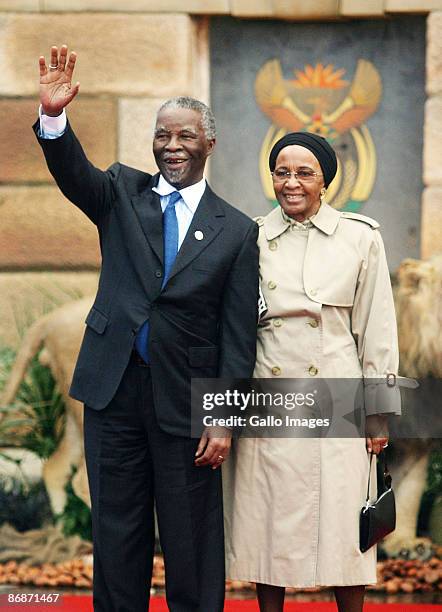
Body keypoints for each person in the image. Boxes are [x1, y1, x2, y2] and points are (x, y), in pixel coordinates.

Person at [34, 45, 259, 612]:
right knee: (116, 535)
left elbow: (237, 335)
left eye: (184, 135)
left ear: (208, 143)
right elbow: (72, 173)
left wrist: (224, 417)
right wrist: (55, 118)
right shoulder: (120, 193)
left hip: (186, 403)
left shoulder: (234, 230)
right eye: (162, 135)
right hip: (112, 393)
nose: (171, 145)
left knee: (191, 542)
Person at [224, 132, 400, 612]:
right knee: (268, 520)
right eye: (282, 172)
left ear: (326, 182)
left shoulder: (360, 237)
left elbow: (377, 330)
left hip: (339, 397)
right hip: (270, 391)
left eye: (305, 173)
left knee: (345, 524)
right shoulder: (252, 236)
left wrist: (379, 415)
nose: (292, 182)